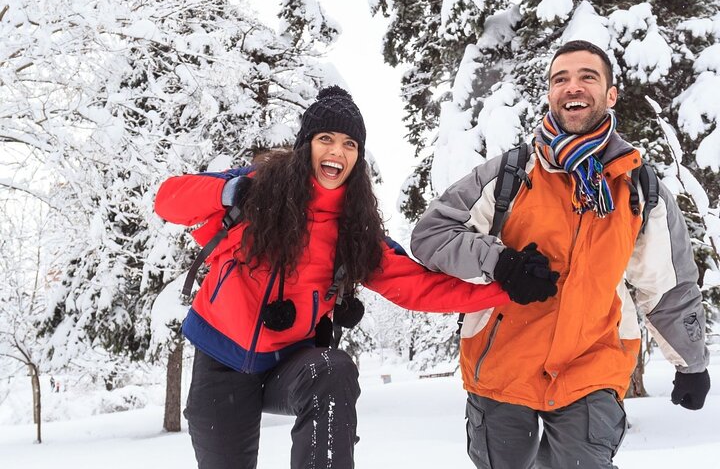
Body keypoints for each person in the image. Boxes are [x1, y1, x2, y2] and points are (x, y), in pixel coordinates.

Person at [154, 86, 553, 469]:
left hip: (289, 364)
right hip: (221, 362)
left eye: (349, 144)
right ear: (306, 145)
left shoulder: (354, 230)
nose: (336, 151)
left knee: (333, 368)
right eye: (326, 138)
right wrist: (231, 192)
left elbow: (419, 286)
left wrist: (506, 287)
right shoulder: (257, 193)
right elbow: (168, 199)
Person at [410, 40, 711, 469]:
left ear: (610, 94)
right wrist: (500, 262)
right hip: (501, 364)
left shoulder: (639, 188)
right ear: (550, 93)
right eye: (561, 79)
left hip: (593, 361)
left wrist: (691, 362)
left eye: (588, 77)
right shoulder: (509, 174)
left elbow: (667, 286)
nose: (573, 87)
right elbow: (431, 235)